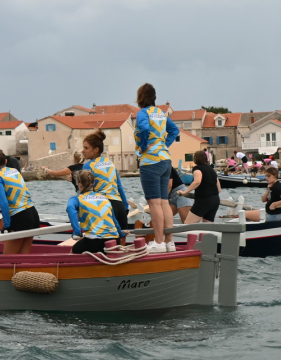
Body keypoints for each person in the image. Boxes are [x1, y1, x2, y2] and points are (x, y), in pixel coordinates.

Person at [134, 83, 180, 253]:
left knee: (154, 203)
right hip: (165, 160)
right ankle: (169, 242)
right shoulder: (161, 113)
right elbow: (174, 130)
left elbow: (144, 127)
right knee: (164, 202)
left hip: (150, 162)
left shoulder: (142, 113)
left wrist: (144, 145)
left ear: (140, 97)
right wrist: (164, 144)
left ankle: (158, 243)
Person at [0, 146, 40, 255]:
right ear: (6, 161)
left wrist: (7, 224)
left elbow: (3, 203)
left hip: (20, 216)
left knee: (7, 260)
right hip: (32, 212)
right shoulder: (14, 170)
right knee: (23, 258)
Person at [80, 131, 131, 232]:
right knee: (120, 245)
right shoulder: (110, 163)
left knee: (103, 245)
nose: (82, 151)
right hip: (119, 206)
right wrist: (125, 207)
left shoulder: (87, 166)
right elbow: (119, 187)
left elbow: (85, 192)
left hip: (104, 207)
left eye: (86, 148)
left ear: (96, 150)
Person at [66, 169, 122, 254]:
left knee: (72, 252)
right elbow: (114, 221)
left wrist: (77, 233)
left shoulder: (77, 199)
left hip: (95, 241)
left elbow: (70, 208)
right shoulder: (104, 198)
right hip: (115, 240)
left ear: (79, 185)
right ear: (94, 183)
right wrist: (121, 234)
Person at [179, 150, 221, 222]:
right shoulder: (212, 170)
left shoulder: (197, 169)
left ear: (195, 159)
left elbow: (197, 181)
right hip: (215, 200)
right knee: (206, 226)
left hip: (204, 200)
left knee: (188, 224)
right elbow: (219, 189)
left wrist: (185, 192)